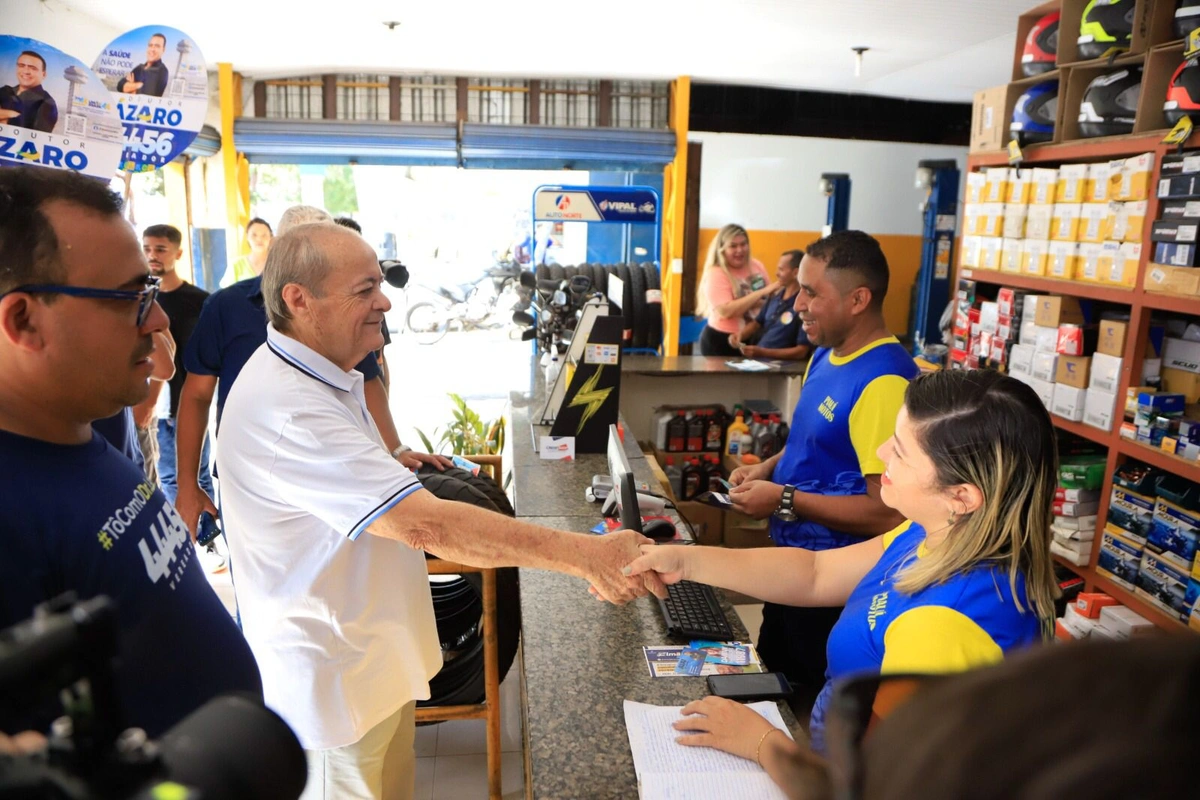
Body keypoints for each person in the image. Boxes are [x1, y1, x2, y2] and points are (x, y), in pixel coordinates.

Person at [216, 221, 665, 800]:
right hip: (333, 690)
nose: (384, 301)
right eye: (364, 290)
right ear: (298, 300)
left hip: (369, 666)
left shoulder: (326, 376)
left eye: (380, 283)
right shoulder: (288, 408)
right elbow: (423, 524)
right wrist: (588, 557)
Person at [628, 368, 1058, 776]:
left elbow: (880, 786)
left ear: (961, 495)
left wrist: (761, 742)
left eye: (902, 451)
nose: (881, 453)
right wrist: (685, 560)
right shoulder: (937, 531)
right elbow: (815, 572)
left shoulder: (943, 627)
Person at [0, 166, 261, 739]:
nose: (161, 319)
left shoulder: (91, 426)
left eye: (152, 289)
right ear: (23, 320)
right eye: (131, 298)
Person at [721, 231, 919, 710]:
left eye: (811, 292)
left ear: (858, 299)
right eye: (799, 289)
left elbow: (886, 514)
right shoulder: (824, 355)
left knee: (806, 707)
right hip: (793, 567)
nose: (798, 303)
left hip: (832, 590)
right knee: (770, 690)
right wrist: (765, 468)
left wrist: (783, 498)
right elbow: (809, 442)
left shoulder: (884, 382)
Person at [174, 205, 439, 540]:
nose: (381, 302)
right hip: (258, 476)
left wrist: (395, 449)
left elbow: (370, 381)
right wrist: (187, 483)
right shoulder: (227, 307)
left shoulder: (347, 305)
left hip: (338, 468)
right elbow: (197, 395)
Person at [141, 224, 214, 505]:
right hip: (151, 407)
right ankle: (184, 540)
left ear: (178, 253)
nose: (153, 255)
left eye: (161, 249)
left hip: (189, 403)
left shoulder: (200, 301)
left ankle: (206, 540)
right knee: (166, 477)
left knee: (199, 475)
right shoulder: (140, 299)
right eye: (147, 248)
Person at [696, 224, 777, 356]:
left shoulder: (757, 265)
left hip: (756, 337)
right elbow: (725, 311)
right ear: (722, 249)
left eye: (743, 244)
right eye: (733, 246)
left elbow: (771, 299)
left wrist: (758, 300)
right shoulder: (716, 273)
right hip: (723, 340)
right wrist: (760, 294)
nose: (739, 250)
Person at [729, 248, 811, 361]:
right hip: (757, 363)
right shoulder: (774, 297)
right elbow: (757, 323)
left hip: (782, 369)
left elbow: (801, 351)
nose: (776, 273)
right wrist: (740, 335)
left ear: (795, 273)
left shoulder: (804, 305)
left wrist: (763, 352)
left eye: (781, 269)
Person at [0, 51, 58, 133]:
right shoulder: (5, 91)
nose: (26, 71)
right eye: (21, 66)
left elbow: (36, 138)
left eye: (33, 68)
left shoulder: (47, 103)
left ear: (44, 74)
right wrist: (11, 114)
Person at [221, 217, 273, 287]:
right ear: (247, 237)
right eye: (254, 235)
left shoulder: (277, 265)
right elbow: (225, 293)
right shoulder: (236, 265)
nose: (259, 239)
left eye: (264, 235)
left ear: (271, 237)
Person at [117, 32, 169, 97]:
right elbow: (120, 86)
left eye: (157, 46)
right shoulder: (139, 68)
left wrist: (131, 87)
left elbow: (144, 95)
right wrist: (138, 85)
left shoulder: (162, 70)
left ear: (163, 49)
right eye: (150, 45)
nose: (152, 49)